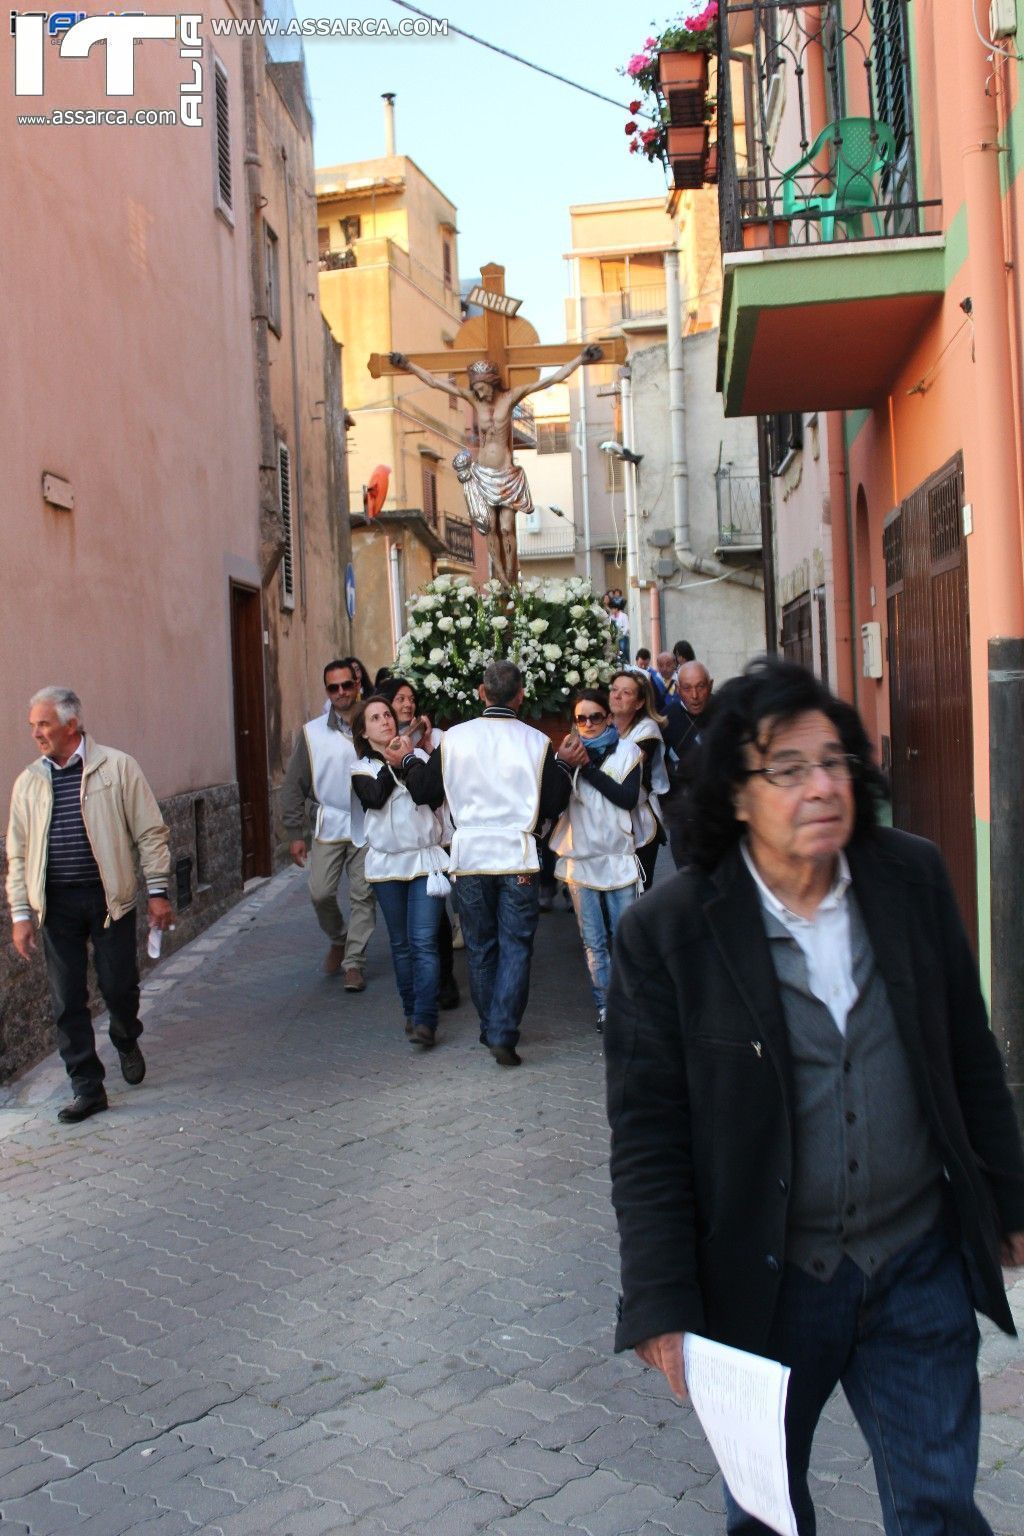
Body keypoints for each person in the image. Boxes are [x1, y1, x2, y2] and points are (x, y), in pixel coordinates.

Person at [605, 657, 1024, 1536]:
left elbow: (969, 1054)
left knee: (940, 1510)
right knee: (766, 1520)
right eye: (787, 769)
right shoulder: (672, 932)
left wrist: (1008, 1198)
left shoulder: (908, 878)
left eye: (833, 761)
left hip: (914, 1262)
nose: (821, 786)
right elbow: (648, 1129)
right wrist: (661, 1298)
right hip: (763, 1283)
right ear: (737, 795)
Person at [5, 687, 174, 1123]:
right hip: (55, 906)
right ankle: (87, 1086)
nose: (36, 733)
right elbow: (18, 853)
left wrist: (157, 892)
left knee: (119, 987)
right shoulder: (29, 782)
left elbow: (150, 833)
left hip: (108, 899)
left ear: (71, 725)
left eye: (43, 724)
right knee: (67, 1000)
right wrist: (21, 915)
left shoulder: (117, 768)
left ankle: (124, 1033)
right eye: (33, 726)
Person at [391, 660, 571, 1067]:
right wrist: (562, 765)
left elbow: (423, 791)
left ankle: (493, 1027)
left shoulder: (454, 739)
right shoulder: (537, 742)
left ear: (480, 692)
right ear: (521, 694)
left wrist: (409, 759)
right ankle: (503, 1030)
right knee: (516, 946)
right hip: (517, 856)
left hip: (469, 856)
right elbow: (556, 800)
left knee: (480, 946)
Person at [388, 346, 602, 586]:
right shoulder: (473, 399)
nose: (479, 394)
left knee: (506, 526)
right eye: (476, 390)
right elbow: (435, 383)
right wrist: (407, 365)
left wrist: (581, 359)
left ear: (491, 382)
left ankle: (511, 572)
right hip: (482, 474)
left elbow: (552, 379)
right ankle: (500, 576)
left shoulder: (511, 398)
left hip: (506, 474)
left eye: (482, 388)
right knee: (489, 527)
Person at [350, 696, 450, 1049]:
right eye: (375, 718)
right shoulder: (361, 768)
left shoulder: (418, 759)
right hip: (387, 864)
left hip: (424, 861)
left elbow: (430, 795)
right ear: (364, 731)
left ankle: (425, 1019)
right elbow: (375, 797)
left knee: (424, 942)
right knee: (401, 944)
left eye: (387, 715)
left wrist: (408, 759)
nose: (385, 721)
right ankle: (410, 1010)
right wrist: (394, 763)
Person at [280, 659, 375, 990]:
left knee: (363, 895)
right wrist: (294, 833)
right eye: (333, 687)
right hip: (329, 824)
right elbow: (294, 785)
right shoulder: (313, 733)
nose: (341, 693)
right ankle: (339, 937)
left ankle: (354, 962)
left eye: (347, 685)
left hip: (368, 823)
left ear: (357, 684)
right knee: (320, 892)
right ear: (328, 691)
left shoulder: (373, 722)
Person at [551, 690, 642, 1031]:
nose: (589, 724)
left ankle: (627, 1005)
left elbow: (627, 797)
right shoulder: (565, 753)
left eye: (596, 717)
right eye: (581, 718)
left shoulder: (628, 751)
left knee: (624, 937)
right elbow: (552, 803)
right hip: (581, 858)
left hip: (617, 857)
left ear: (608, 717)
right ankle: (605, 1005)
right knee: (593, 941)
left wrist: (586, 768)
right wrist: (563, 764)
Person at [376, 676, 459, 1009]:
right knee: (409, 932)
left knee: (434, 919)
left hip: (434, 837)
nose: (407, 704)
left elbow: (441, 779)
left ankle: (443, 983)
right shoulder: (383, 743)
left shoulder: (434, 738)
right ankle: (419, 997)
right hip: (397, 846)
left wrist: (425, 747)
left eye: (411, 698)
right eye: (399, 699)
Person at [608, 669, 668, 891]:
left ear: (639, 702)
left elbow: (625, 769)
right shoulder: (598, 724)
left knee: (636, 892)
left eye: (626, 692)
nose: (617, 696)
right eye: (614, 690)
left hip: (638, 823)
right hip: (603, 821)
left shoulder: (646, 730)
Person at [660, 660, 715, 869]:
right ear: (677, 689)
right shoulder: (665, 719)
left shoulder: (724, 714)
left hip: (718, 812)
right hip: (682, 813)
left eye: (700, 687)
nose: (695, 695)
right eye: (687, 688)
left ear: (710, 685)